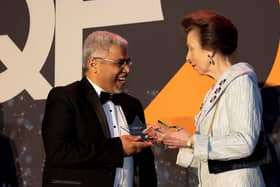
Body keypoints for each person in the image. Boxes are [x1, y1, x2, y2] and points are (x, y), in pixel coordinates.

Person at [146, 11, 267, 186]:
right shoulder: (216, 89)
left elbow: (244, 143)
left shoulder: (241, 82)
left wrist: (191, 140)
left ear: (210, 50)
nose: (187, 57)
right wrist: (175, 139)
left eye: (191, 48)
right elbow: (214, 158)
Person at [41, 31, 157, 187]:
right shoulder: (65, 97)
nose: (127, 70)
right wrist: (118, 148)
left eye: (127, 62)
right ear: (93, 64)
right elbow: (59, 152)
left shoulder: (133, 105)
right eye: (119, 63)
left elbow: (144, 162)